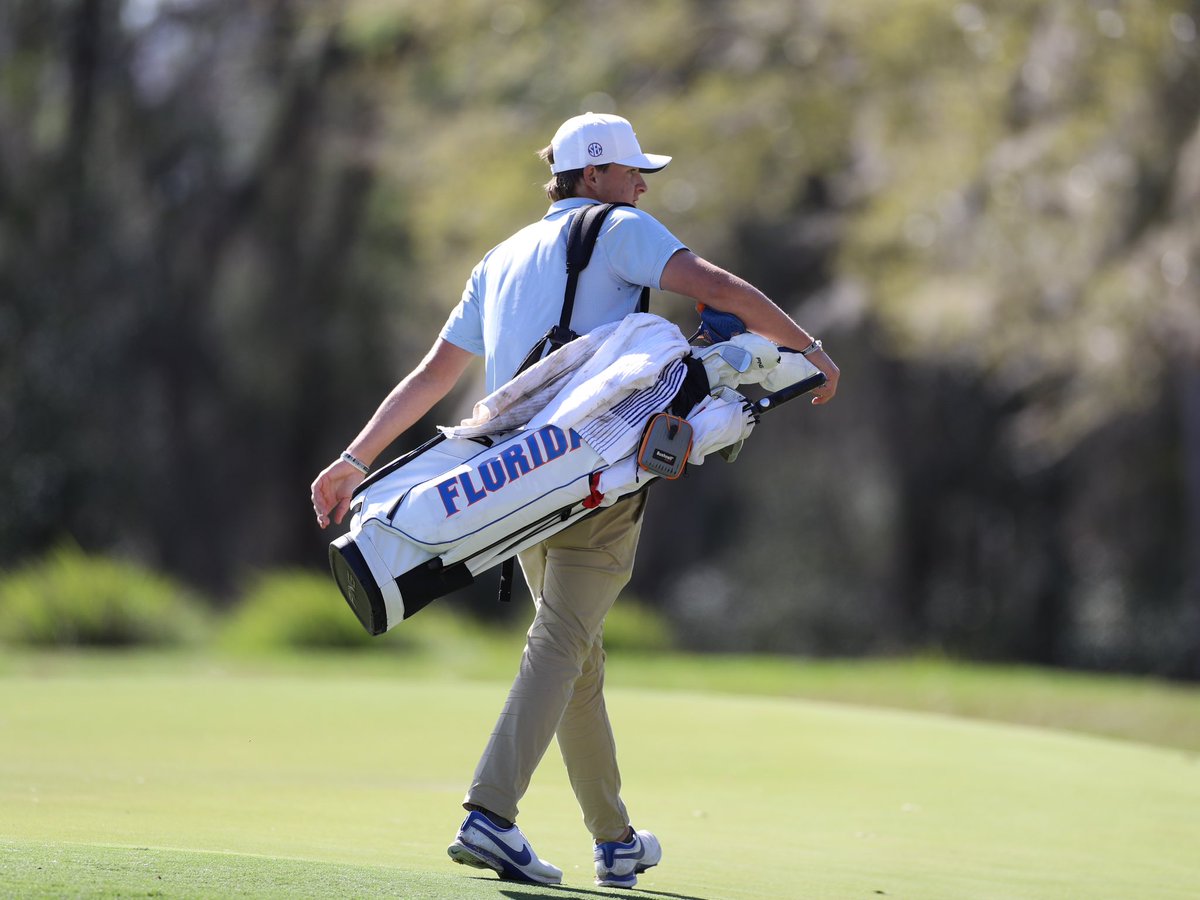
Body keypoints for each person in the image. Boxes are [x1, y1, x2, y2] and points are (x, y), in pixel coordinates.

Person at [310, 111, 839, 888]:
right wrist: (811, 351)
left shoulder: (501, 256)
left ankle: (616, 840)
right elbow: (717, 288)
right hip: (598, 469)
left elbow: (434, 374)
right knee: (563, 642)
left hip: (514, 483)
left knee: (575, 656)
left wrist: (357, 458)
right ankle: (490, 815)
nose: (642, 184)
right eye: (631, 171)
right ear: (592, 175)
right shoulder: (621, 226)